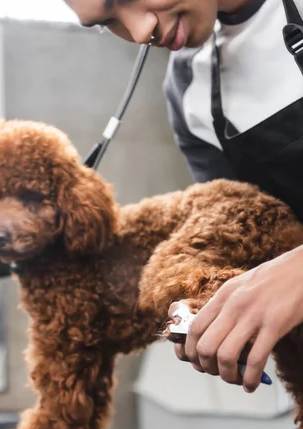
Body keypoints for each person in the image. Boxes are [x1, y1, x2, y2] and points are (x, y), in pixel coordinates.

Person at [65, 0, 303, 394]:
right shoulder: (186, 89)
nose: (140, 32)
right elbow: (236, 234)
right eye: (107, 23)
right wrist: (196, 297)